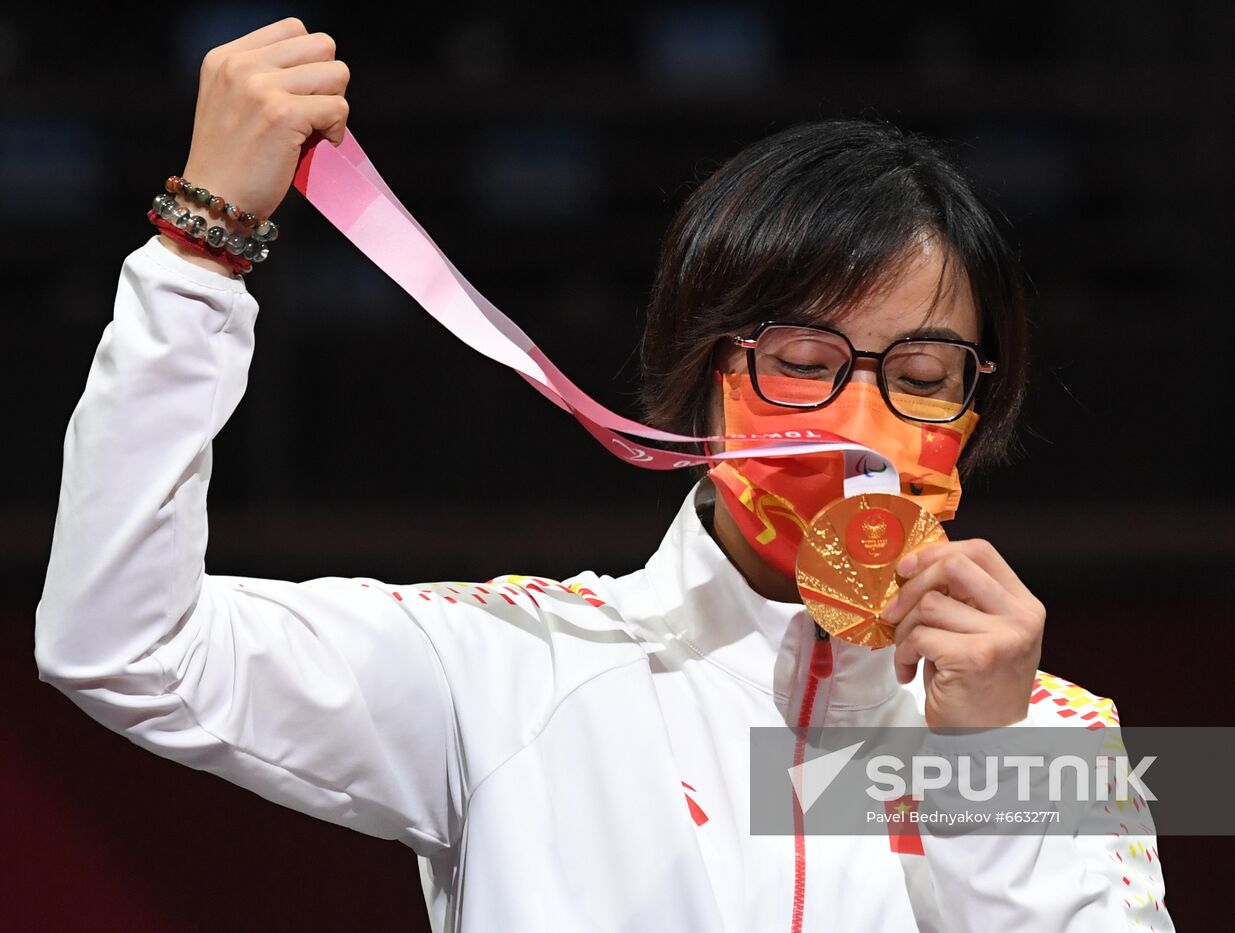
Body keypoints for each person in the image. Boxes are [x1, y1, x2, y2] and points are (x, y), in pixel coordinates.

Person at [33, 16, 1171, 933]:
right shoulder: (514, 674)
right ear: (702, 374)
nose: (860, 420)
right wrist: (201, 252)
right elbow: (123, 645)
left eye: (921, 371)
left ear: (976, 405)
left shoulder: (1046, 738)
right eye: (803, 361)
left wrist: (980, 760)